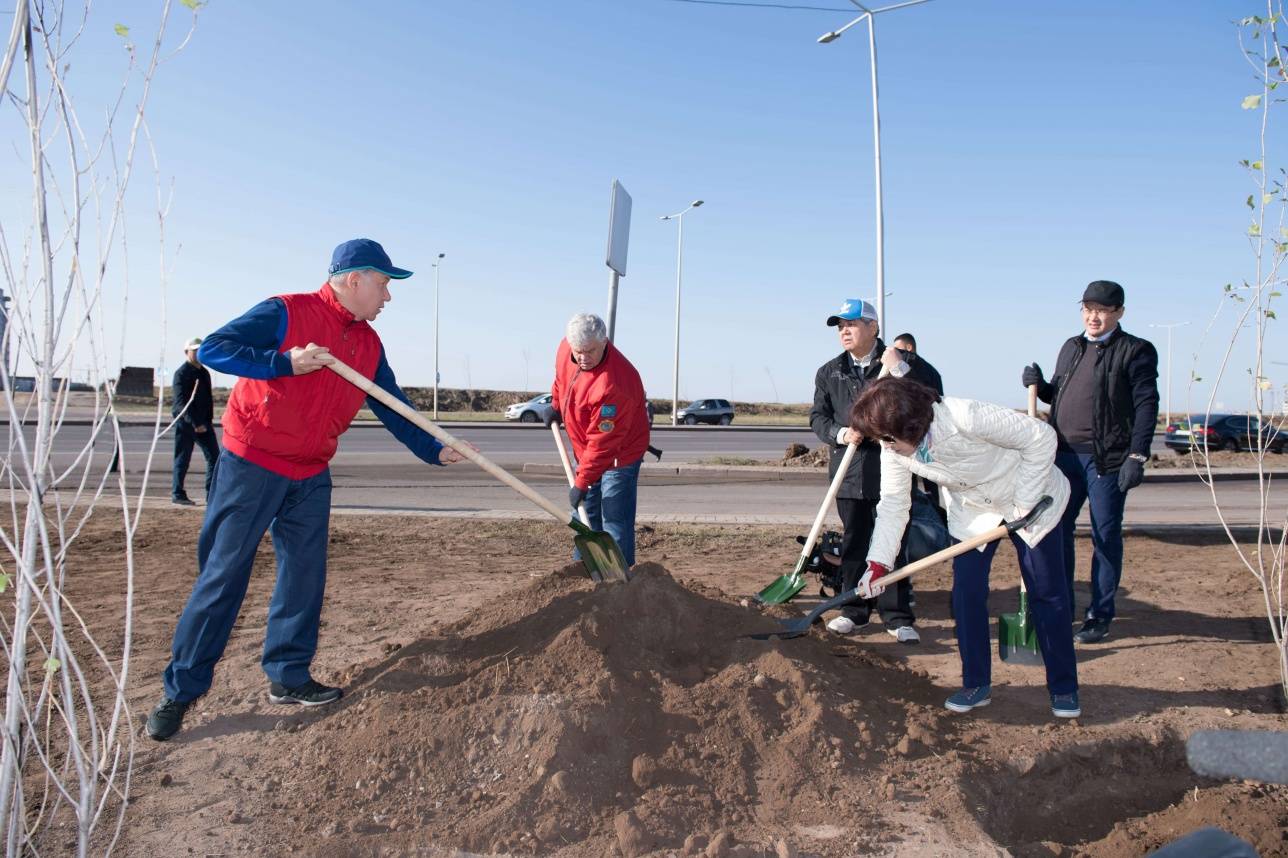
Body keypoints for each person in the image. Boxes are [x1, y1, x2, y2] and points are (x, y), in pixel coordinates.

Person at [145, 239, 468, 742]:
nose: (388, 297)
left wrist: (433, 447)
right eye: (384, 284)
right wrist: (283, 363)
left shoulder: (367, 345)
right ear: (355, 278)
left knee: (304, 577)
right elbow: (214, 348)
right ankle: (181, 690)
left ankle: (288, 676)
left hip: (310, 472)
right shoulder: (286, 312)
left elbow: (390, 403)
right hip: (252, 463)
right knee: (223, 576)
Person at [849, 377, 1080, 718]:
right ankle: (976, 684)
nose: (883, 445)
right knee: (966, 595)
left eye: (887, 437)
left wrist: (1025, 502)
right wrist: (879, 563)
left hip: (1031, 499)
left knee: (1047, 593)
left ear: (909, 425)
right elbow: (894, 504)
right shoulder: (893, 449)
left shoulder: (965, 415)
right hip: (974, 512)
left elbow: (1042, 437)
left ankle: (1064, 687)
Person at [1021, 280, 1159, 644]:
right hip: (1064, 456)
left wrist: (1137, 454)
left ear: (1119, 313)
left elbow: (1147, 405)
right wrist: (1039, 385)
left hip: (1107, 459)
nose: (1092, 316)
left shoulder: (1136, 351)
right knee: (1055, 530)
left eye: (1101, 310)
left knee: (1105, 535)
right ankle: (1060, 605)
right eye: (1087, 308)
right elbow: (1059, 394)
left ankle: (1099, 615)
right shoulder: (1072, 347)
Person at [809, 299, 940, 643]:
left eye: (851, 324)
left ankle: (896, 615)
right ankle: (855, 610)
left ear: (873, 328)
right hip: (850, 469)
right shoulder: (830, 371)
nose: (845, 332)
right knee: (854, 541)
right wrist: (840, 433)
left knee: (893, 541)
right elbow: (817, 417)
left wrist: (899, 367)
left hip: (892, 466)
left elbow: (929, 393)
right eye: (840, 327)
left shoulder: (896, 362)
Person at [546, 314, 649, 566]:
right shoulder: (565, 349)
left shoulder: (615, 385)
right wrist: (556, 405)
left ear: (605, 342)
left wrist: (582, 481)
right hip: (586, 449)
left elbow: (604, 442)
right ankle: (584, 570)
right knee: (585, 514)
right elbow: (562, 379)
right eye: (578, 351)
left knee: (614, 517)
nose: (582, 358)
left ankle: (621, 578)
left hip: (619, 455)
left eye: (589, 351)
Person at [171, 337, 220, 505]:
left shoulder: (204, 372)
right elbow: (179, 404)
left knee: (215, 457)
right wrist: (194, 423)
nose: (199, 353)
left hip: (205, 424)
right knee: (182, 459)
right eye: (195, 350)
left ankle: (211, 495)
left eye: (201, 349)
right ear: (187, 352)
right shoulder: (181, 374)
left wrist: (207, 421)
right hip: (187, 425)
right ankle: (178, 494)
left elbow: (207, 400)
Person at [891, 332, 944, 397]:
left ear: (909, 347)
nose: (895, 352)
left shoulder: (912, 366)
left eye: (897, 349)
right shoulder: (932, 371)